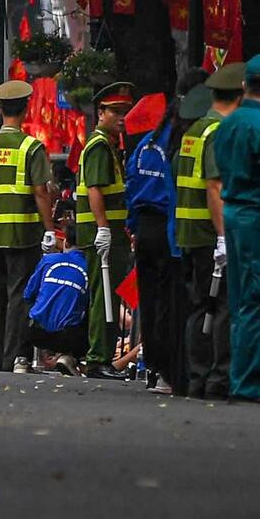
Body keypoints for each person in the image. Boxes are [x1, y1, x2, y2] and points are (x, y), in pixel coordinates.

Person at [211, 56, 260, 401]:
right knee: (259, 297)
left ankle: (240, 374)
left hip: (234, 214)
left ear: (244, 86)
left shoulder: (227, 124)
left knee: (240, 298)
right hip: (258, 216)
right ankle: (249, 380)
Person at [0, 79, 58, 374]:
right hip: (21, 233)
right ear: (25, 110)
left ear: (0, 109)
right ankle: (15, 358)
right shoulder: (30, 147)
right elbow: (40, 192)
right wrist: (49, 229)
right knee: (18, 296)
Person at [122, 91, 180, 393]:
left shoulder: (144, 148)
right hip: (166, 228)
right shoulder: (174, 145)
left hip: (143, 230)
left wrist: (132, 227)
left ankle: (152, 367)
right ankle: (168, 370)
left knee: (148, 300)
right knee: (169, 302)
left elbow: (131, 188)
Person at [76, 82, 134, 379]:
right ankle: (98, 358)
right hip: (103, 234)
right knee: (103, 298)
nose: (122, 117)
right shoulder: (99, 146)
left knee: (108, 295)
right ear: (100, 113)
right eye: (116, 111)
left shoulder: (108, 145)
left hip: (111, 232)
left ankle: (103, 357)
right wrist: (103, 228)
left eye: (126, 111)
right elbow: (95, 188)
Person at [177, 78, 229, 397]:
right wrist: (223, 235)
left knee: (198, 305)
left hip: (188, 232)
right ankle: (217, 377)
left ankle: (196, 377)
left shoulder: (192, 132)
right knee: (220, 305)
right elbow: (215, 186)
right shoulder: (216, 132)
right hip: (209, 233)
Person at [23, 215, 90, 372]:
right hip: (70, 337)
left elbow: (27, 295)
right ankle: (71, 357)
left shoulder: (48, 260)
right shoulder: (89, 268)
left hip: (36, 332)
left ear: (65, 242)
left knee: (27, 301)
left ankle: (22, 357)